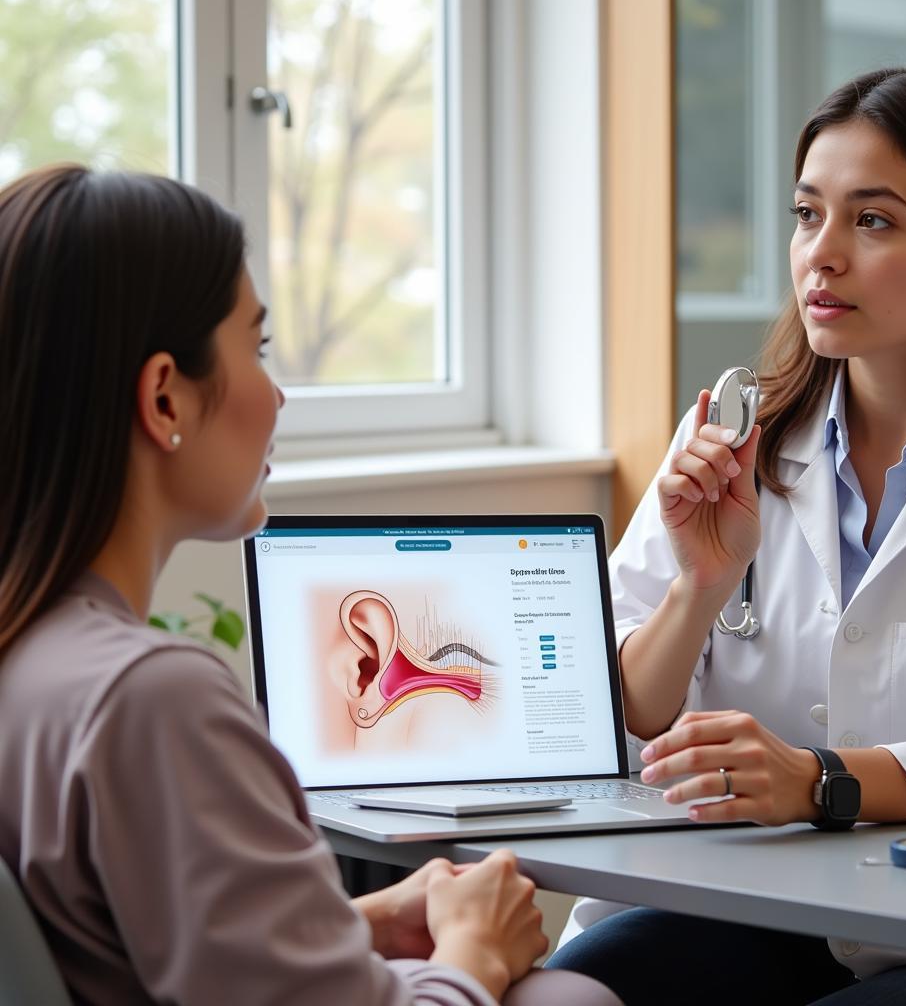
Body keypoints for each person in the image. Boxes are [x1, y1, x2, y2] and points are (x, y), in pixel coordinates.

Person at [0, 165, 620, 1006]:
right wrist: (474, 951)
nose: (278, 391)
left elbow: (136, 951)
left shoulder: (33, 661)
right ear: (164, 398)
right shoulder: (152, 701)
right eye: (254, 348)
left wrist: (357, 922)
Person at [546, 64, 906, 1005]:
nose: (821, 255)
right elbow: (610, 710)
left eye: (873, 220)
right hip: (733, 899)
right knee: (569, 994)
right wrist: (699, 588)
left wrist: (819, 783)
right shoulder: (732, 441)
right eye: (809, 214)